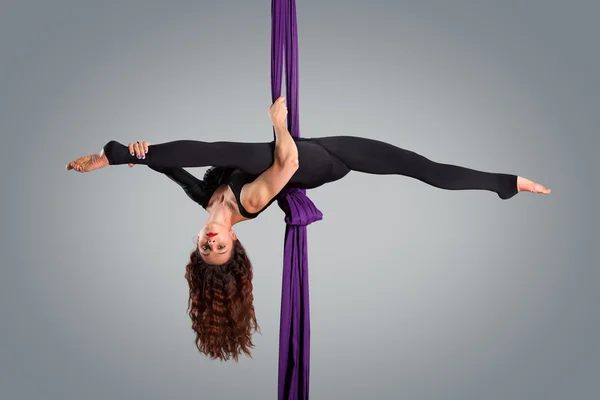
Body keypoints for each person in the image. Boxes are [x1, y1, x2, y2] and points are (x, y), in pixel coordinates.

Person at [65, 96, 551, 361]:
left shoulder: (203, 198)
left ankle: (505, 184)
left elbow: (169, 167)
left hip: (317, 147)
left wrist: (137, 153)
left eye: (205, 248)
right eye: (221, 250)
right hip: (313, 161)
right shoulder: (250, 202)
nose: (213, 241)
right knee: (227, 151)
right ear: (234, 243)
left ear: (198, 244)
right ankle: (512, 183)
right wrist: (278, 123)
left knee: (423, 167)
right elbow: (288, 159)